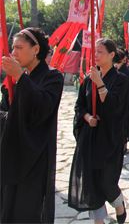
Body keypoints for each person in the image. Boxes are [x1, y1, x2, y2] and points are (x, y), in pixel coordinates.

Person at [0, 28, 64, 223]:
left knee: (26, 212)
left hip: (35, 157)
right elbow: (11, 115)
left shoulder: (53, 77)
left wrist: (21, 77)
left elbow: (42, 107)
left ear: (35, 49)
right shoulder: (21, 78)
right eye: (13, 48)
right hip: (15, 152)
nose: (14, 52)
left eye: (19, 47)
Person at [68, 38, 129, 223]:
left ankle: (119, 204)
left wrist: (101, 84)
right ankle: (99, 220)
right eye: (95, 51)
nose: (96, 55)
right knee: (91, 182)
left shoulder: (121, 80)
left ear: (112, 55)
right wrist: (87, 118)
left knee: (106, 181)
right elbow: (80, 106)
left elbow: (115, 107)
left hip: (110, 138)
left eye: (101, 52)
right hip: (90, 137)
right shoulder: (88, 80)